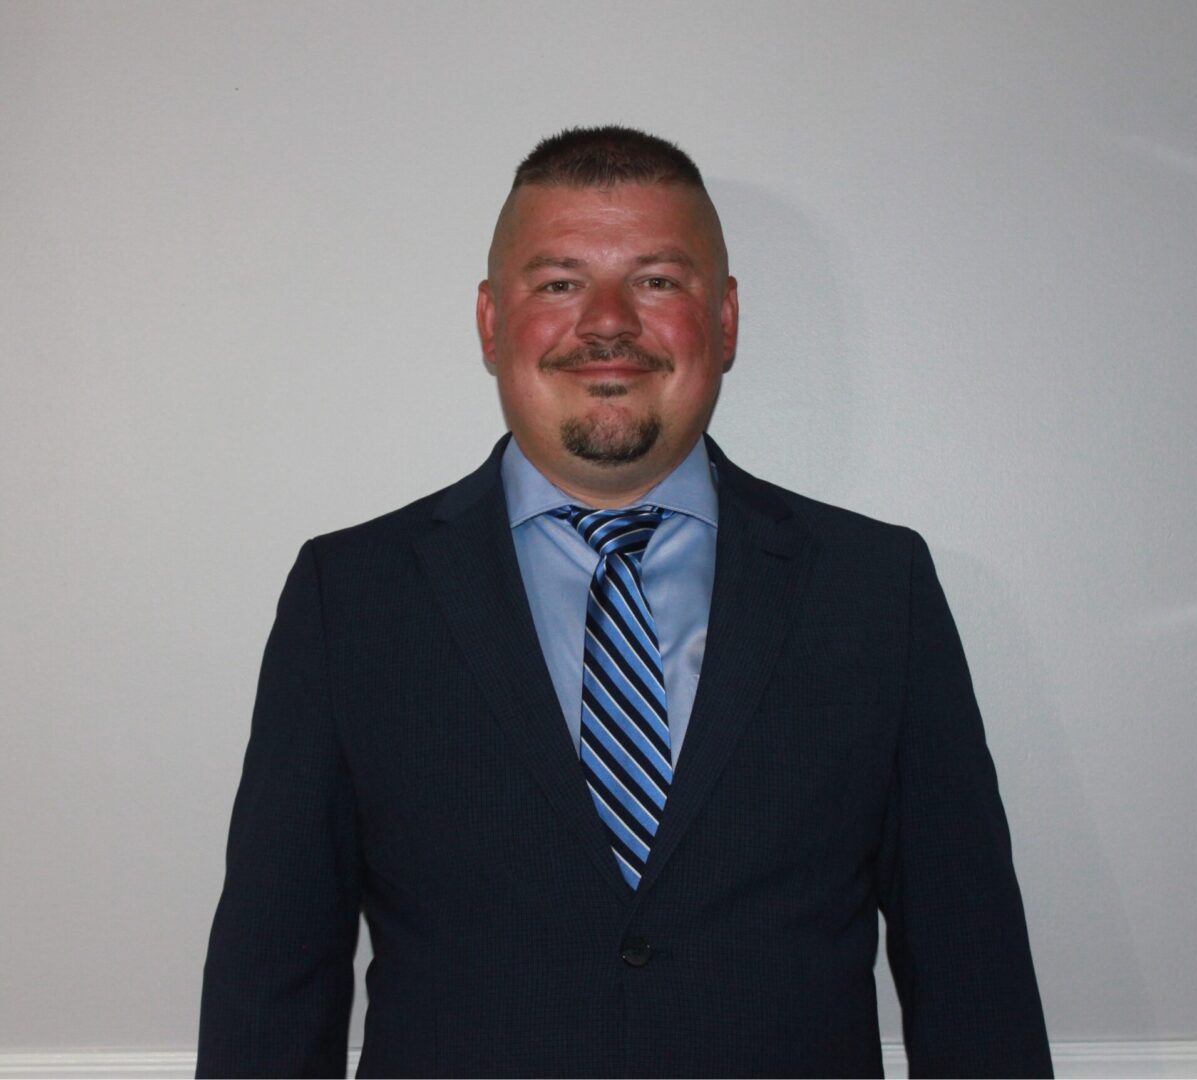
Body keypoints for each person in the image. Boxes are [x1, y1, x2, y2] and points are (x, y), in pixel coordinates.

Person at [197, 126, 1052, 1078]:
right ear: (491, 321)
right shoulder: (349, 596)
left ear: (724, 320)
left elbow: (973, 972)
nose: (607, 322)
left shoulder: (873, 588)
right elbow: (271, 987)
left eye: (657, 280)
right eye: (558, 282)